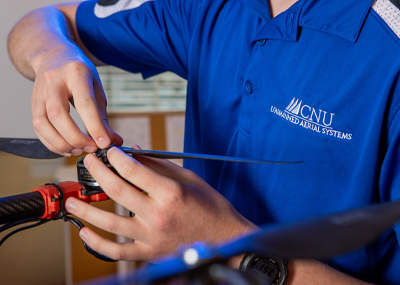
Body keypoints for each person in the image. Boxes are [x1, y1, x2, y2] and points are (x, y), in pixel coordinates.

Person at [7, 0, 400, 283]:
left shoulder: (389, 45)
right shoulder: (206, 8)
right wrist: (52, 54)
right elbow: (42, 19)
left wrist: (232, 249)